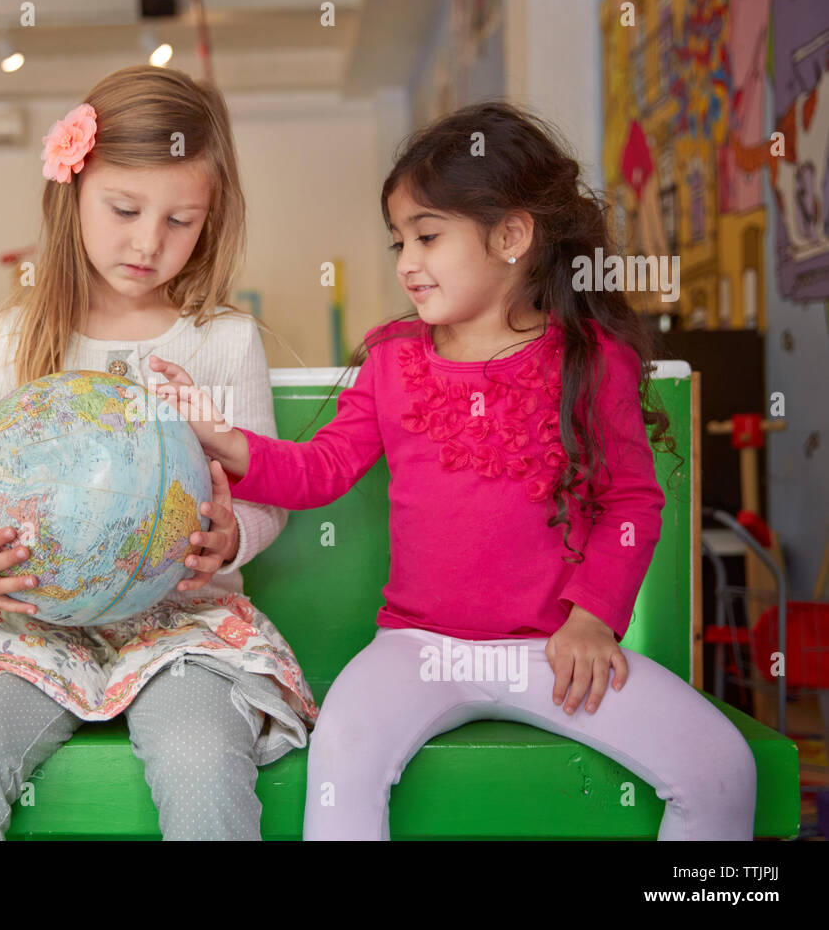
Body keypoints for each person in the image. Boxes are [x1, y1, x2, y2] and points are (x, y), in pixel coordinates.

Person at [149, 101, 757, 840]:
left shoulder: (594, 361)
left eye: (428, 236)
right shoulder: (393, 358)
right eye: (398, 240)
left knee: (723, 768)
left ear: (511, 236)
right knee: (340, 767)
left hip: (554, 649)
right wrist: (222, 439)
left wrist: (596, 621)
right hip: (414, 647)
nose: (407, 261)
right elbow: (322, 468)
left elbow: (631, 504)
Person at [0, 65, 316, 841]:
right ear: (72, 190)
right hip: (34, 628)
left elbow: (264, 494)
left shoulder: (224, 339)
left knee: (201, 762)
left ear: (213, 220)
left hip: (186, 625)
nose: (148, 242)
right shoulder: (14, 340)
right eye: (124, 208)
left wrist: (235, 536)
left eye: (182, 221)